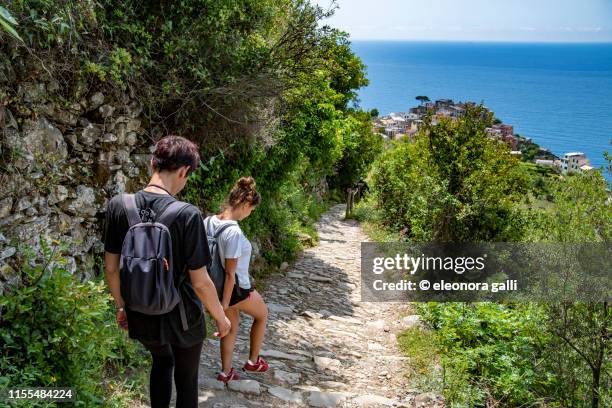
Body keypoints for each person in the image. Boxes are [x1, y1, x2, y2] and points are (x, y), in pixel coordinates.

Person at [103, 135, 231, 408]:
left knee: (161, 361)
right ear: (184, 171)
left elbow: (111, 269)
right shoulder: (187, 214)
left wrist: (122, 306)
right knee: (187, 381)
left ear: (153, 163)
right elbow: (201, 283)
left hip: (140, 313)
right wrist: (221, 318)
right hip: (182, 317)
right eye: (188, 176)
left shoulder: (118, 206)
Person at [204, 176, 269, 383]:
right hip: (236, 289)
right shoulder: (233, 231)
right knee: (262, 315)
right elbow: (231, 274)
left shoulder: (208, 221)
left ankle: (226, 371)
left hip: (214, 284)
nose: (250, 214)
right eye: (251, 210)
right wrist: (222, 306)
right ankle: (253, 361)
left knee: (232, 325)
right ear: (245, 204)